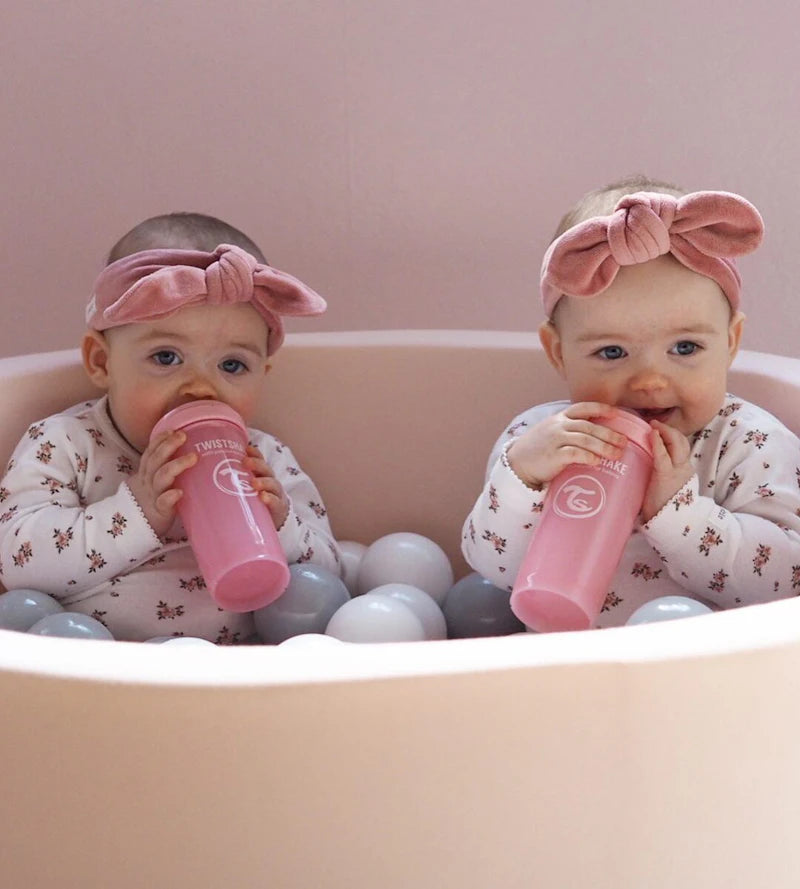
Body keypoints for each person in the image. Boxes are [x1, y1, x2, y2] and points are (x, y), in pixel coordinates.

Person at [462, 176, 800, 628]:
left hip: (704, 683)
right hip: (560, 672)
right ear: (559, 353)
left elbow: (784, 582)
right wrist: (520, 479)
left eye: (685, 348)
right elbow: (493, 570)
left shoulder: (749, 443)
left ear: (731, 342)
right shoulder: (542, 444)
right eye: (612, 353)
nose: (649, 381)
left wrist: (678, 513)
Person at [0, 213, 341, 643]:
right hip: (104, 673)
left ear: (264, 372)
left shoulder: (262, 458)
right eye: (166, 357)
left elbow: (330, 573)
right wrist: (134, 512)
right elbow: (16, 562)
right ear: (101, 362)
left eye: (232, 365)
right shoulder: (66, 444)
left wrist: (280, 526)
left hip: (241, 671)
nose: (201, 388)